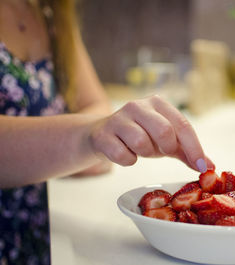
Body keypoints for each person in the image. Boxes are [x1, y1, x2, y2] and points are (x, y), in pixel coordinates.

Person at [0, 0, 214, 264]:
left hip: (43, 228)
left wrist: (81, 146)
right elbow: (95, 121)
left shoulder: (49, 10)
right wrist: (87, 139)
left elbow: (95, 103)